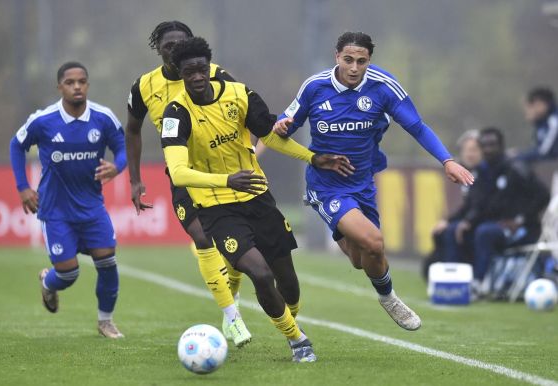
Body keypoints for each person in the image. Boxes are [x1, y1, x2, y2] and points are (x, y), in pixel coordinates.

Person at [161, 37, 353, 362]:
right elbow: (178, 173)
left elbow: (269, 136)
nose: (195, 76)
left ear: (209, 66)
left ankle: (286, 317)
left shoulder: (239, 94)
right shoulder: (176, 112)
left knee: (288, 284)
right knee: (261, 273)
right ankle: (297, 340)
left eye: (199, 69)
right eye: (187, 71)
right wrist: (227, 179)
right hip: (217, 206)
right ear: (179, 73)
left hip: (257, 197)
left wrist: (312, 157)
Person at [273, 32, 474, 330]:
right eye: (348, 60)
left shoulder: (383, 87)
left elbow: (416, 126)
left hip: (363, 183)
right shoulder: (315, 87)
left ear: (370, 60)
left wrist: (447, 160)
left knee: (362, 258)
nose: (354, 68)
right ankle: (389, 298)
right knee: (375, 242)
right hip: (326, 186)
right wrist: (282, 125)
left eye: (362, 61)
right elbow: (284, 126)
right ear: (336, 56)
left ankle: (352, 243)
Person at [125, 21, 249, 346]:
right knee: (201, 236)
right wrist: (135, 179)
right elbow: (132, 129)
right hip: (183, 174)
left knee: (236, 252)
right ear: (159, 49)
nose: (174, 49)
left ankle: (230, 291)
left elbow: (243, 109)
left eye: (181, 43)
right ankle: (233, 318)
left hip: (223, 172)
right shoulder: (144, 86)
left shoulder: (216, 74)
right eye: (168, 46)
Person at [9, 62, 126, 338]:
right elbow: (17, 145)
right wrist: (23, 187)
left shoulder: (103, 117)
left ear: (87, 85)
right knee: (68, 274)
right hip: (55, 210)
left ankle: (105, 321)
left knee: (107, 261)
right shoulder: (44, 120)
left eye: (82, 81)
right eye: (70, 82)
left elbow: (122, 148)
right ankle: (48, 283)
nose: (77, 87)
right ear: (59, 86)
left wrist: (118, 166)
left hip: (92, 207)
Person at [442, 127, 549, 295]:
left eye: (493, 145)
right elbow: (481, 204)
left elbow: (543, 195)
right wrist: (468, 221)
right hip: (495, 224)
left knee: (485, 233)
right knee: (455, 231)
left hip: (522, 228)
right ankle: (451, 282)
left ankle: (478, 283)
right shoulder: (483, 172)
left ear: (501, 146)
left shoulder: (516, 168)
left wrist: (520, 220)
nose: (488, 149)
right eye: (484, 145)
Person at [422, 129, 482, 275]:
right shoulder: (468, 173)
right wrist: (448, 220)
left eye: (474, 150)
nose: (470, 154)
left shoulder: (486, 173)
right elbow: (467, 205)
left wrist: (467, 221)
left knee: (451, 231)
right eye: (466, 150)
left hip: (482, 220)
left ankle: (453, 276)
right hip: (471, 218)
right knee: (441, 232)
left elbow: (483, 204)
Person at [516, 87, 558, 163]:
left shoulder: (554, 122)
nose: (526, 112)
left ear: (540, 104)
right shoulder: (541, 125)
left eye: (529, 107)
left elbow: (544, 152)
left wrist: (518, 156)